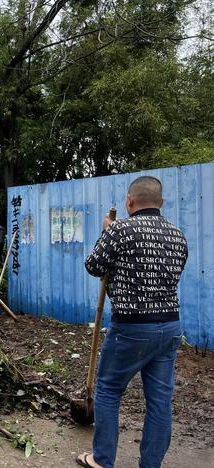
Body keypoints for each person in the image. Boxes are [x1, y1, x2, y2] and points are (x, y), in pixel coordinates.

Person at [77, 176, 188, 468]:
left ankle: (101, 460)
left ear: (129, 201)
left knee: (109, 389)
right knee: (160, 401)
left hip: (131, 327)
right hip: (170, 327)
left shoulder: (120, 230)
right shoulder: (178, 235)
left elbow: (93, 265)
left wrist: (106, 233)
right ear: (160, 203)